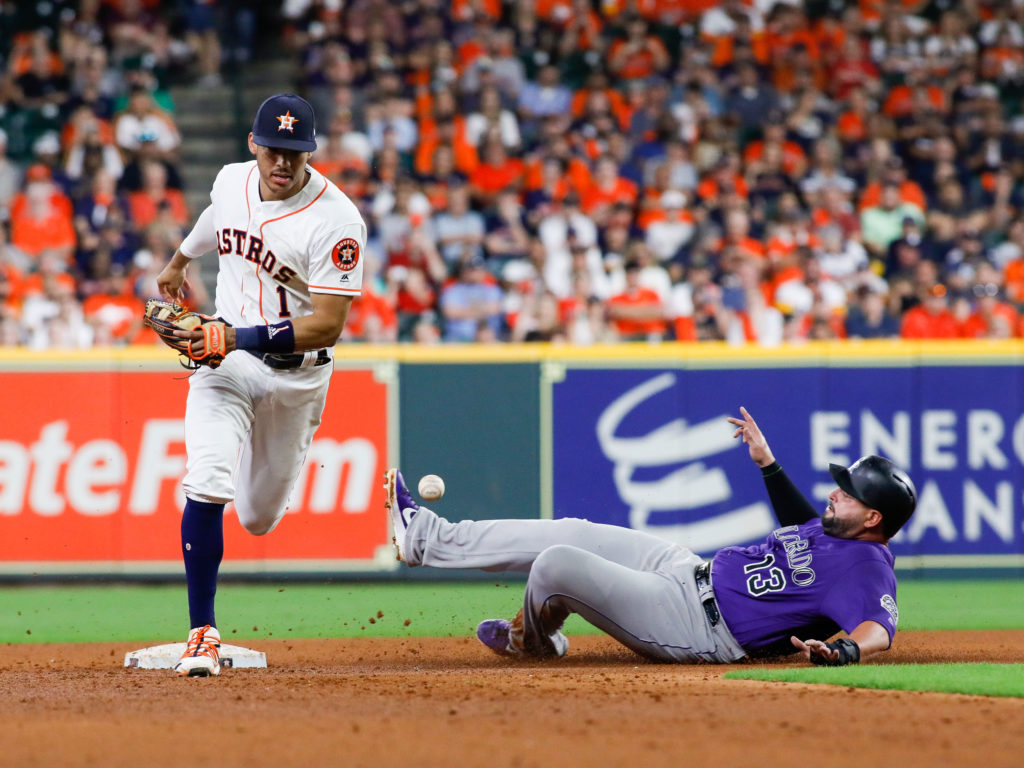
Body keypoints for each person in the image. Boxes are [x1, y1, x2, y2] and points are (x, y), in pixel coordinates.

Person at [384, 406, 916, 666]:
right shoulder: (834, 533)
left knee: (557, 564)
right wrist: (769, 465)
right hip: (688, 569)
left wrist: (845, 652)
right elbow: (799, 526)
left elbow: (880, 626)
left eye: (848, 493)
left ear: (874, 520)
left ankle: (533, 642)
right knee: (573, 530)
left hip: (698, 628)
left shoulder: (867, 567)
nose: (834, 493)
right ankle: (425, 538)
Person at [156, 93, 366, 677]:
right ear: (253, 145)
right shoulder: (230, 180)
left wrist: (235, 337)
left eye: (294, 154)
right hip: (227, 364)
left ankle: (264, 482)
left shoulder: (337, 220)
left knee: (256, 517)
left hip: (298, 376)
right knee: (207, 479)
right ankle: (203, 632)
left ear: (310, 153)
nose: (282, 163)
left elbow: (327, 324)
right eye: (273, 150)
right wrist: (178, 261)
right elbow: (214, 219)